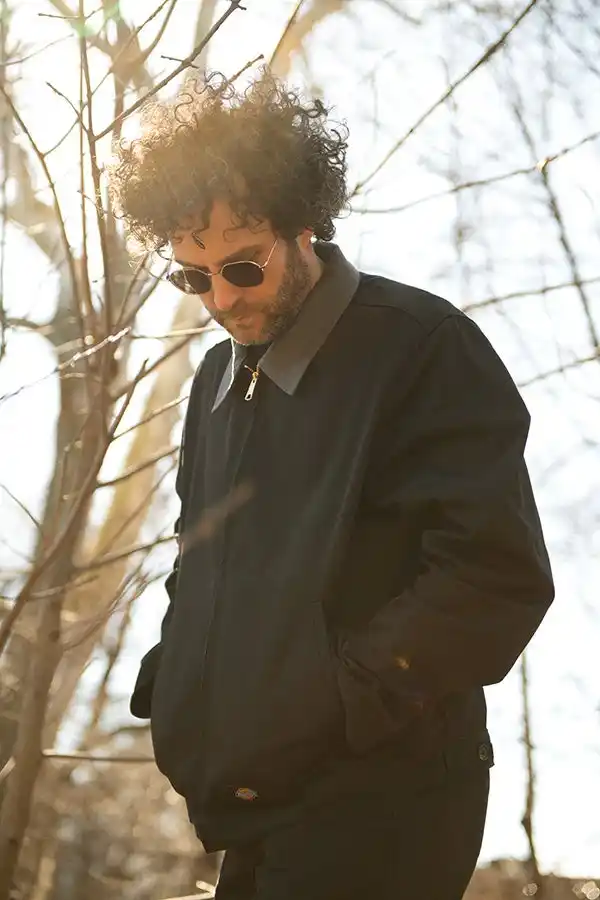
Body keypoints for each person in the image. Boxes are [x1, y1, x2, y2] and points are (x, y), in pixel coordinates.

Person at [109, 71, 554, 900]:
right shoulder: (212, 382)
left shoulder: (422, 346)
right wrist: (176, 691)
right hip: (253, 806)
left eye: (243, 266)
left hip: (385, 800)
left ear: (303, 223)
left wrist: (335, 706)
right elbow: (197, 564)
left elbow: (492, 575)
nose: (221, 299)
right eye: (193, 277)